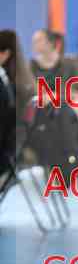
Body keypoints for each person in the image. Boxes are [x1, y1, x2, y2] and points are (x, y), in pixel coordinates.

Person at [0, 29, 35, 179]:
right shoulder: (24, 82)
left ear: (5, 54)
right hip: (16, 152)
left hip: (7, 155)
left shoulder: (8, 86)